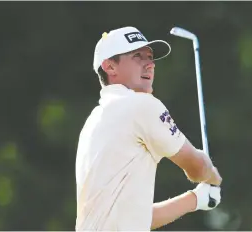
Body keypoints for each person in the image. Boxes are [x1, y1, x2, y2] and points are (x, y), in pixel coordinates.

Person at [75, 26, 223, 231]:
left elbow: (138, 219)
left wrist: (196, 199)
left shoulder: (94, 121)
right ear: (110, 67)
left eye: (150, 57)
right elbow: (196, 168)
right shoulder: (141, 105)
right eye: (137, 56)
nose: (150, 65)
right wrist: (212, 175)